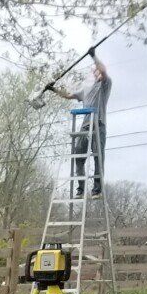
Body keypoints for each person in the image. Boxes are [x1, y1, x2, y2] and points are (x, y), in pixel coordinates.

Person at [52, 53, 110, 197]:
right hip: (85, 126)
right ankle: (80, 188)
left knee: (98, 157)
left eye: (98, 70)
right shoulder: (86, 89)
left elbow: (103, 70)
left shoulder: (104, 85)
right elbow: (68, 95)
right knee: (78, 156)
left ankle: (97, 189)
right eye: (95, 71)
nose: (98, 72)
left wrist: (94, 56)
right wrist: (53, 89)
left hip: (99, 125)